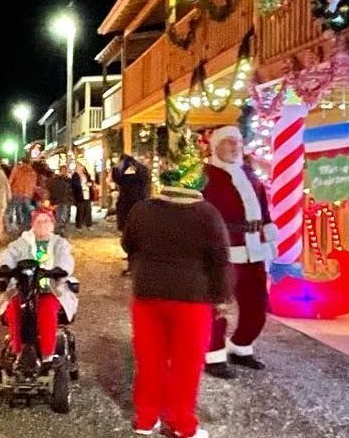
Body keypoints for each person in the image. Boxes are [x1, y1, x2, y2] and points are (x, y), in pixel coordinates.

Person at [123, 168, 231, 438]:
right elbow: (220, 260)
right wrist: (220, 296)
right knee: (186, 364)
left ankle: (146, 419)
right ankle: (182, 423)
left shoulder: (142, 209)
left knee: (149, 359)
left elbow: (128, 243)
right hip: (191, 298)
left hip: (147, 292)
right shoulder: (207, 214)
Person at [202, 125, 278, 375]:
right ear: (216, 146)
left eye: (238, 142)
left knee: (257, 304)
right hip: (223, 250)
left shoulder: (249, 173)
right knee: (219, 305)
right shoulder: (205, 175)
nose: (235, 147)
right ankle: (214, 356)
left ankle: (241, 347)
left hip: (254, 250)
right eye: (228, 142)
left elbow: (263, 207)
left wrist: (269, 231)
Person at [0, 208, 76, 364]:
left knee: (46, 308)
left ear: (52, 225)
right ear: (33, 224)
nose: (43, 225)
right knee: (14, 307)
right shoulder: (22, 242)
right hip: (24, 287)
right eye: (39, 221)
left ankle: (47, 355)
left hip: (50, 287)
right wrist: (5, 266)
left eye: (46, 221)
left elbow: (65, 258)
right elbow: (8, 254)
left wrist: (59, 269)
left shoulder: (59, 243)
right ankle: (17, 351)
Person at [113, 153, 151, 232]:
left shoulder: (131, 167)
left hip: (130, 196)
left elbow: (126, 181)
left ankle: (127, 229)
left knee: (128, 214)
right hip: (140, 196)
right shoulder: (139, 166)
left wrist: (115, 171)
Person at [8, 158, 38, 232]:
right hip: (27, 194)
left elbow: (10, 180)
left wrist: (9, 190)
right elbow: (33, 185)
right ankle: (25, 224)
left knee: (12, 209)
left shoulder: (17, 170)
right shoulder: (32, 172)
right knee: (25, 209)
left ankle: (11, 225)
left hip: (17, 192)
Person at [47, 164, 74, 231]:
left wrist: (71, 198)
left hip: (65, 199)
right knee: (59, 214)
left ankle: (62, 226)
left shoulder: (68, 180)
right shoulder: (56, 179)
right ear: (60, 171)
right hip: (58, 199)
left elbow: (71, 190)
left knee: (64, 214)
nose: (64, 172)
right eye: (62, 170)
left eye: (65, 170)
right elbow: (52, 189)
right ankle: (59, 227)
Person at [72, 163, 94, 229]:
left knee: (88, 210)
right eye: (78, 167)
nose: (79, 168)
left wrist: (90, 184)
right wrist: (81, 184)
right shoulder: (75, 176)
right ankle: (78, 225)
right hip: (80, 195)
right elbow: (74, 185)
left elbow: (91, 182)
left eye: (80, 167)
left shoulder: (87, 175)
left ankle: (89, 224)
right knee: (80, 210)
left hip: (87, 194)